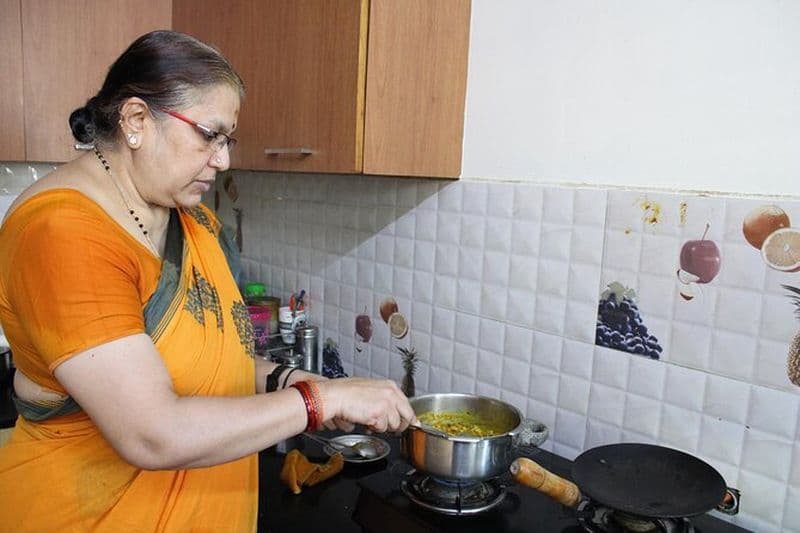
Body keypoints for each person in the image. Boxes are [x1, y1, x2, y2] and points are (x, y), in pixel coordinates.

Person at [0, 30, 415, 532]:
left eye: (228, 139)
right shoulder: (64, 234)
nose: (223, 160)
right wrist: (321, 402)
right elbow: (152, 434)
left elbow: (210, 354)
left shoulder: (188, 218)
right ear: (136, 120)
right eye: (208, 135)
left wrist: (288, 380)